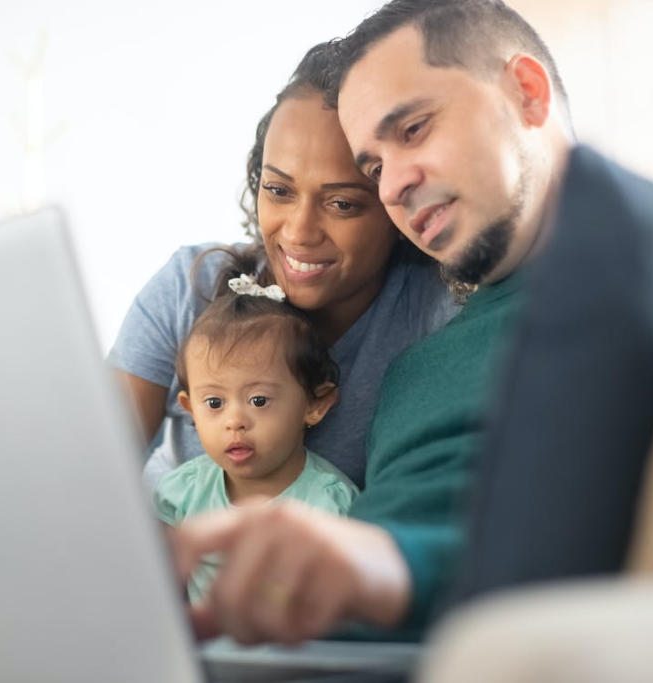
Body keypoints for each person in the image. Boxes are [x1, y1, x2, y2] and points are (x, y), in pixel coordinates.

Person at [171, 0, 575, 645]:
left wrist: (377, 568)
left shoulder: (621, 284)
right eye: (377, 166)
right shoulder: (422, 368)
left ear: (525, 93)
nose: (395, 186)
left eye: (414, 129)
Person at [108, 42, 460, 492]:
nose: (299, 232)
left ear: (397, 204)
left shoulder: (434, 314)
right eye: (278, 190)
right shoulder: (187, 288)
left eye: (342, 203)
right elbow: (89, 473)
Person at [154, 247, 359, 603]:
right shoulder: (182, 492)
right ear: (190, 409)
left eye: (259, 401)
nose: (235, 422)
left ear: (315, 404)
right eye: (214, 404)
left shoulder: (328, 503)